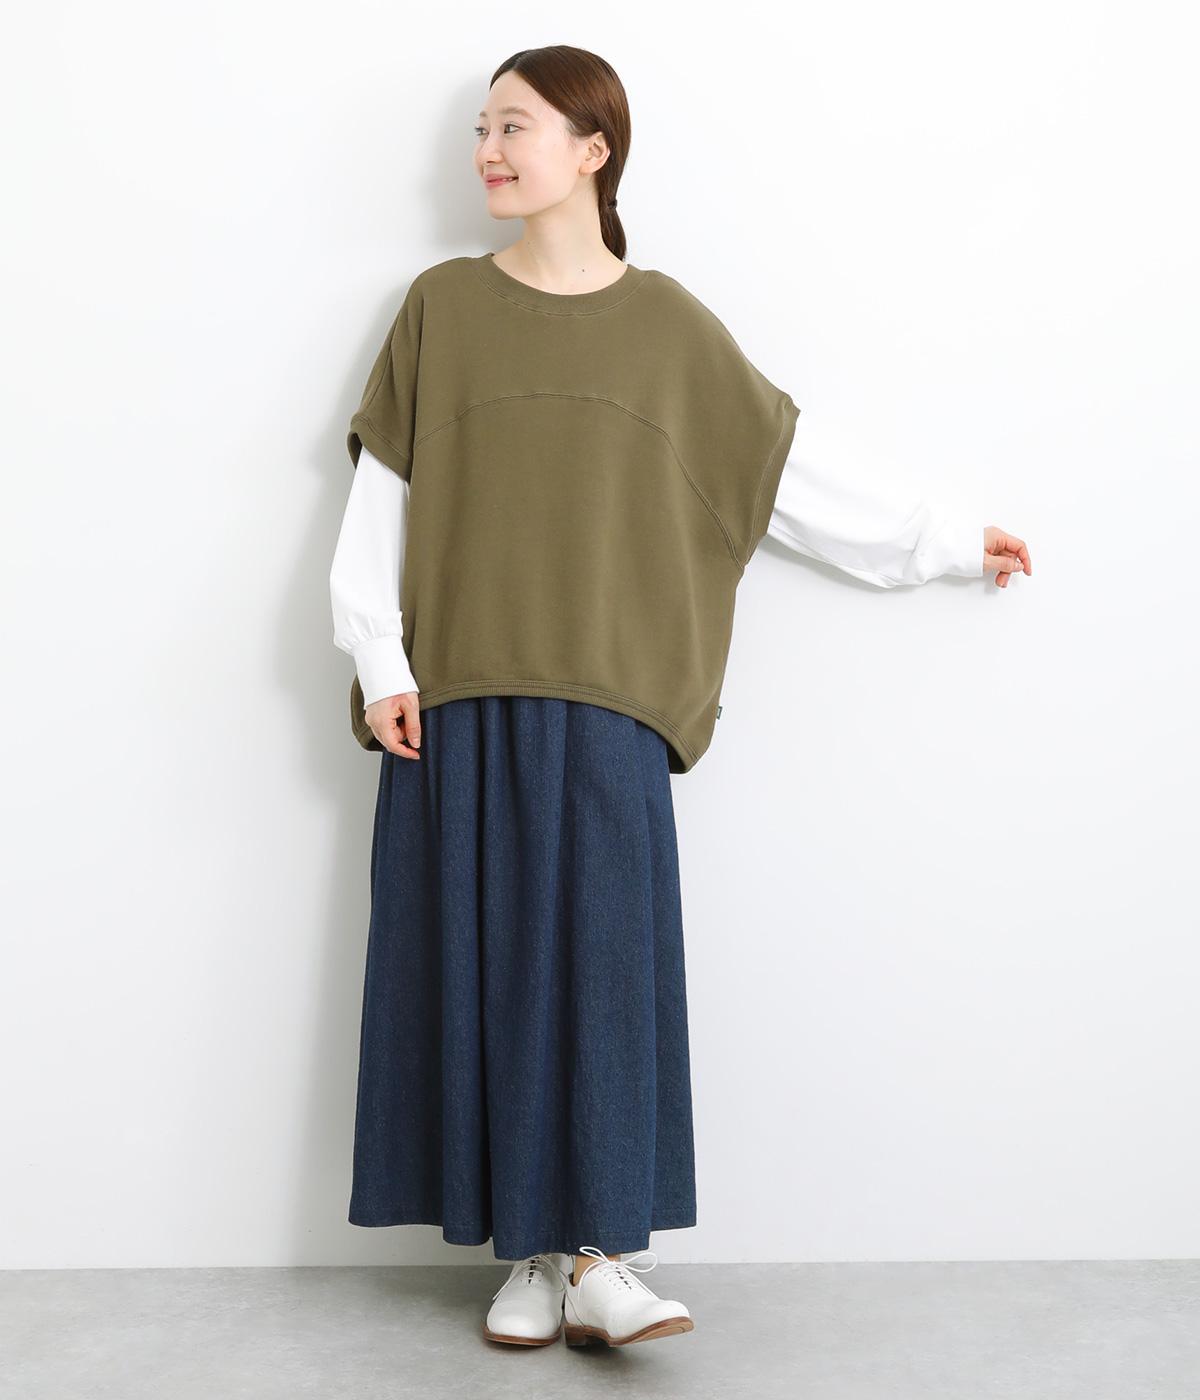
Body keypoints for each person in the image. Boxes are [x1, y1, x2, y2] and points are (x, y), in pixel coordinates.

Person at [329, 46, 1033, 1353]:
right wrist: (381, 663)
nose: (486, 151)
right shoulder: (440, 308)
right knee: (489, 974)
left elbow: (783, 469)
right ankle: (533, 1259)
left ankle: (603, 1255)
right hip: (459, 695)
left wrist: (941, 540)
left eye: (514, 127)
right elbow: (386, 490)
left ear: (592, 147)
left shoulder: (667, 326)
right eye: (480, 129)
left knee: (605, 970)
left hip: (612, 701)